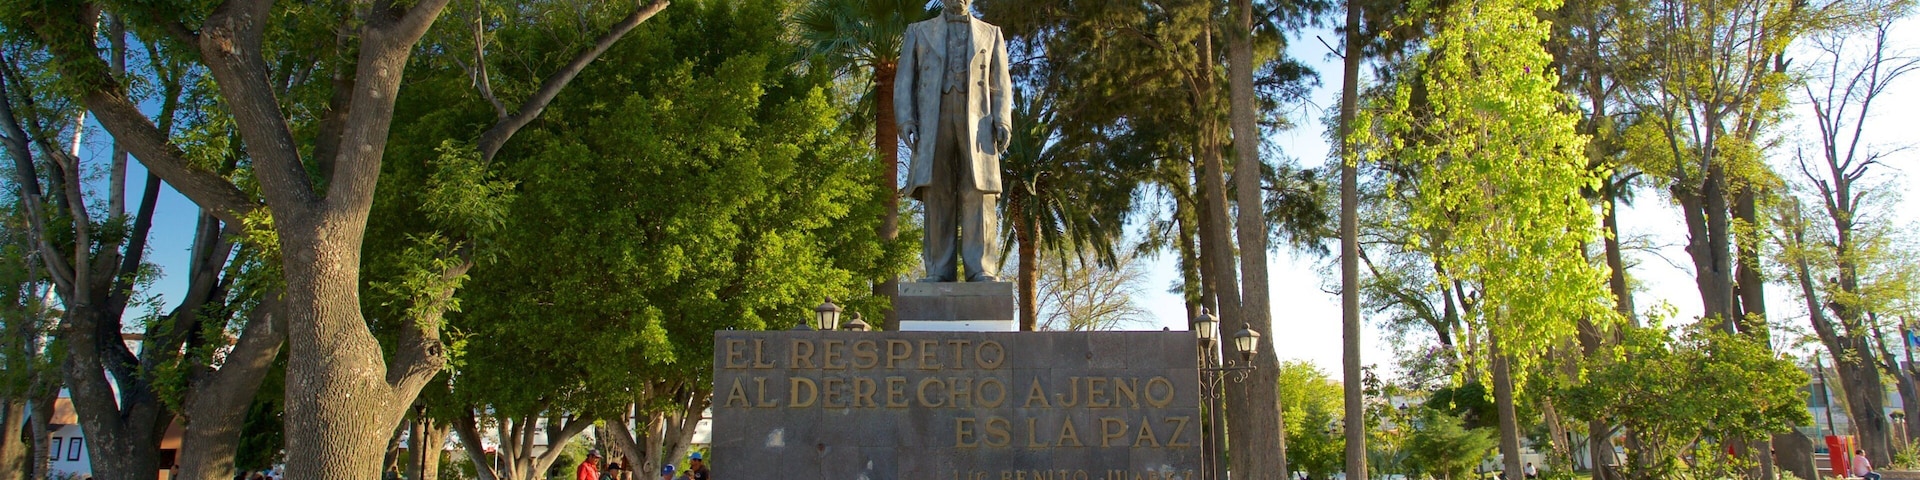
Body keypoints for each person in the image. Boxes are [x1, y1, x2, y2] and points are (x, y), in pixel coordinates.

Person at [892, 0, 1013, 283]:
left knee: (978, 191)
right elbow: (904, 79)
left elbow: (1002, 82)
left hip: (979, 121)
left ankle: (981, 267)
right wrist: (906, 118)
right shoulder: (918, 31)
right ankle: (938, 269)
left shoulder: (991, 33)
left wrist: (1002, 119)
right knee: (937, 190)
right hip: (933, 118)